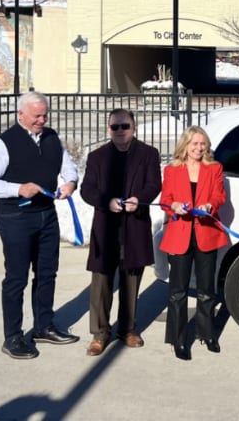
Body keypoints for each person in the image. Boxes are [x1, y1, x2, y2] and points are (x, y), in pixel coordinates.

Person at [0, 91, 81, 360]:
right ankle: (12, 336)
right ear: (20, 114)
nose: (41, 120)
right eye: (36, 116)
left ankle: (43, 326)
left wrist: (70, 183)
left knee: (47, 273)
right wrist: (18, 189)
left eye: (45, 115)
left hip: (47, 215)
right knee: (16, 278)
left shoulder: (51, 138)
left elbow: (69, 169)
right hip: (15, 218)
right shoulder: (3, 144)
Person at [79, 108, 161, 357]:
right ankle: (99, 333)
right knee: (101, 281)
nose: (120, 131)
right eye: (115, 127)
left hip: (134, 225)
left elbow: (154, 184)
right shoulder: (97, 156)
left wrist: (141, 198)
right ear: (108, 129)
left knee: (131, 279)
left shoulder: (148, 153)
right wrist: (106, 201)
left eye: (125, 126)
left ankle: (127, 329)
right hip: (106, 228)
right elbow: (87, 189)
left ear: (134, 127)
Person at [159, 126, 227, 361]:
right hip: (180, 234)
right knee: (178, 291)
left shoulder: (215, 168)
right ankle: (177, 339)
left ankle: (206, 334)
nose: (199, 148)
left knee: (206, 290)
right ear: (185, 145)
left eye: (202, 144)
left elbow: (219, 196)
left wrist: (210, 206)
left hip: (206, 233)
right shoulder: (172, 170)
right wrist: (174, 206)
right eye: (194, 144)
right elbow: (165, 199)